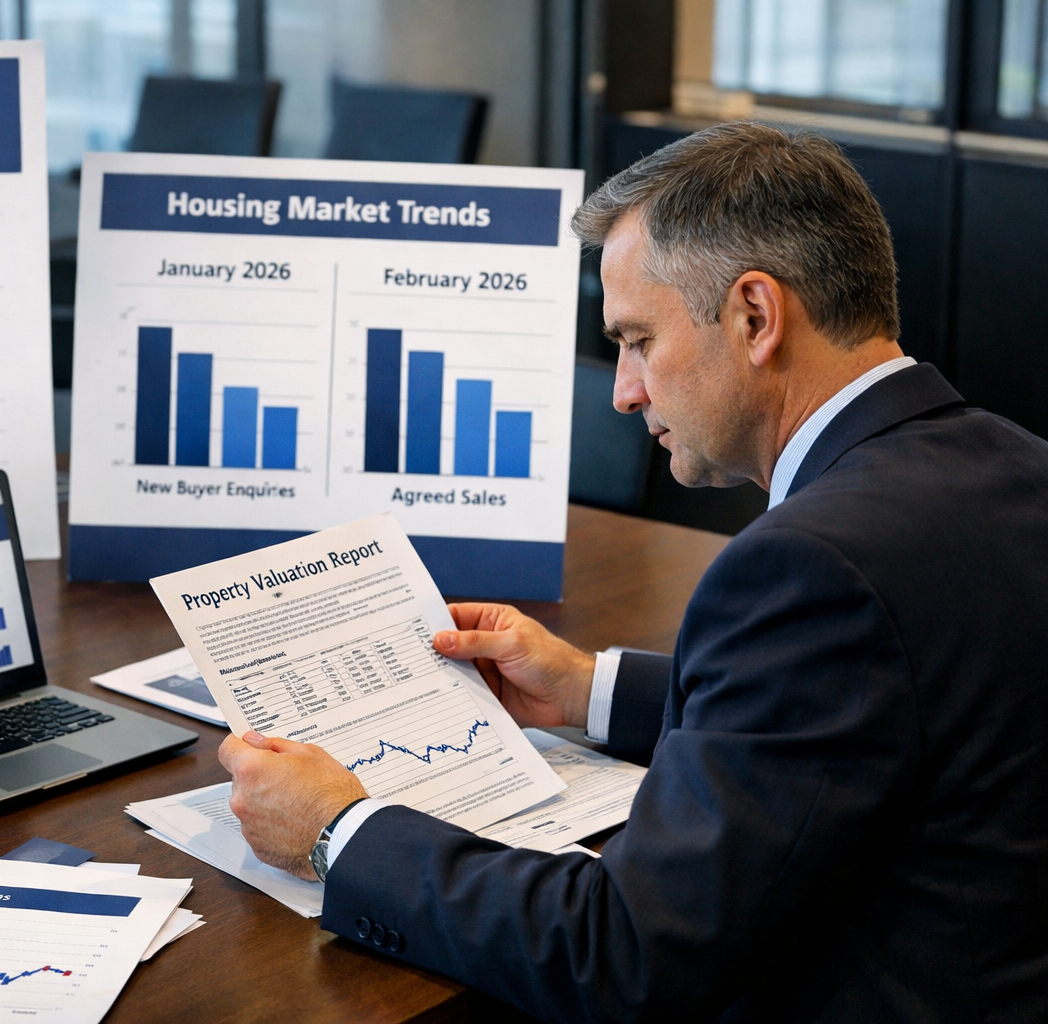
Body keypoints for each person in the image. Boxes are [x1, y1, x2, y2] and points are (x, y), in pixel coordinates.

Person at [218, 121, 1048, 1021]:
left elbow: (623, 958)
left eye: (638, 338)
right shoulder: (1012, 464)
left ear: (756, 316)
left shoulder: (811, 564)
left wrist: (340, 833)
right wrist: (587, 690)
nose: (623, 389)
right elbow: (868, 703)